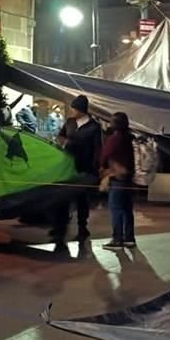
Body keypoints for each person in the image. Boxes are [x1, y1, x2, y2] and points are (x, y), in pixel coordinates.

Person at [52, 95, 102, 248]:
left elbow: (97, 148)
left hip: (84, 168)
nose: (71, 110)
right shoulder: (69, 123)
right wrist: (64, 143)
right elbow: (60, 137)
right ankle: (60, 228)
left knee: (81, 200)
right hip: (67, 167)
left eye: (74, 108)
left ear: (80, 109)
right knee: (63, 198)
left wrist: (95, 168)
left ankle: (82, 228)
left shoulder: (94, 127)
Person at [100, 112, 136, 250]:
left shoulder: (114, 139)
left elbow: (105, 156)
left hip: (116, 177)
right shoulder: (128, 138)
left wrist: (103, 170)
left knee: (116, 209)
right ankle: (129, 238)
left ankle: (117, 239)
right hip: (128, 178)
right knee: (127, 209)